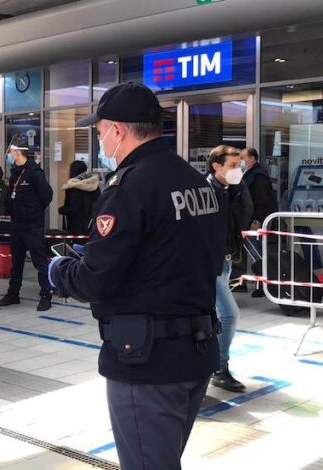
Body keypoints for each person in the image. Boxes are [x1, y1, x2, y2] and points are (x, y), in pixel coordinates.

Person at [48, 82, 222, 470]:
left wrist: (59, 270)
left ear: (118, 130)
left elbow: (96, 280)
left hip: (147, 361)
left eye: (99, 132)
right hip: (195, 349)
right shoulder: (197, 183)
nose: (100, 141)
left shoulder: (129, 187)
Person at [207, 145, 253, 393]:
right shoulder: (206, 192)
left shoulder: (230, 190)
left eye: (241, 166)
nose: (239, 171)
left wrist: (238, 184)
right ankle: (219, 368)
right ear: (216, 166)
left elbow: (245, 213)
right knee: (229, 314)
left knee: (216, 317)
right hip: (209, 263)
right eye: (233, 166)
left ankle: (215, 368)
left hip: (225, 259)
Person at [0, 135, 54, 312]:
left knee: (39, 261)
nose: (9, 156)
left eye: (10, 152)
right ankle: (13, 293)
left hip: (32, 225)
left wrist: (33, 211)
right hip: (17, 225)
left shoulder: (34, 172)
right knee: (17, 261)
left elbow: (47, 195)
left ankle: (46, 294)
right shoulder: (15, 173)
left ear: (16, 152)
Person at [241, 147, 278, 297]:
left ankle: (264, 285)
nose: (241, 160)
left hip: (255, 221)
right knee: (254, 253)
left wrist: (257, 219)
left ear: (252, 158)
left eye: (243, 157)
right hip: (249, 220)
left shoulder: (258, 176)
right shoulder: (250, 174)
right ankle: (261, 284)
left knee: (256, 254)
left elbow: (262, 200)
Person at [58, 160, 100, 236]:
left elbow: (74, 208)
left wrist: (62, 209)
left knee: (76, 246)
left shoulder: (74, 187)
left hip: (77, 226)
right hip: (92, 223)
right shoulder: (94, 185)